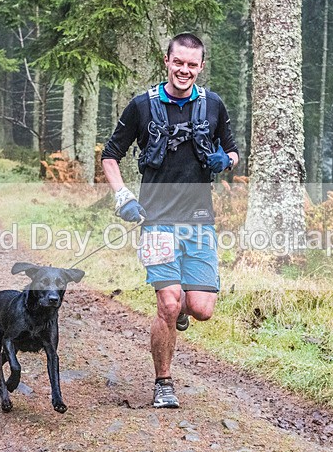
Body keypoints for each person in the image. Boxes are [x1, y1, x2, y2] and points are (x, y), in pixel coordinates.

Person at [101, 33, 239, 408]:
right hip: (157, 221)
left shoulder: (214, 105)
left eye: (192, 65)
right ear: (167, 61)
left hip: (199, 222)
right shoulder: (141, 107)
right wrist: (122, 196)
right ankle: (164, 383)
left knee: (201, 310)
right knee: (168, 302)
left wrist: (225, 161)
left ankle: (183, 308)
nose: (185, 70)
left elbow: (233, 149)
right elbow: (110, 155)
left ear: (201, 67)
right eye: (179, 62)